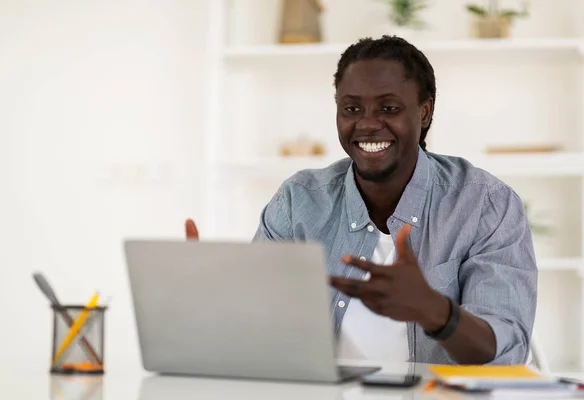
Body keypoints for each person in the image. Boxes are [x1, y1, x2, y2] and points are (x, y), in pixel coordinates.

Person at [186, 36, 537, 365]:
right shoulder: (299, 201)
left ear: (425, 112)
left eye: (388, 107)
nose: (367, 124)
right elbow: (263, 330)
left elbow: (507, 350)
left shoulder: (485, 204)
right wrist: (217, 302)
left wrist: (435, 311)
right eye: (352, 109)